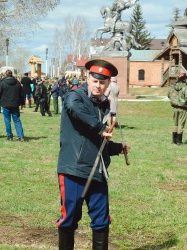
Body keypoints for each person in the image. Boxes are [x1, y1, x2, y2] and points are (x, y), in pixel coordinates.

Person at [56, 59, 130, 250]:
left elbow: (97, 140)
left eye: (102, 82)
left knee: (101, 219)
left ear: (108, 84)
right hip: (74, 168)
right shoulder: (75, 96)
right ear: (87, 78)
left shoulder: (103, 104)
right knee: (69, 218)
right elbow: (74, 109)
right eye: (95, 81)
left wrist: (116, 148)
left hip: (98, 170)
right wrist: (100, 127)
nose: (98, 86)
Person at [0, 70, 25, 141]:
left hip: (6, 104)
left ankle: (9, 136)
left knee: (7, 120)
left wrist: (0, 100)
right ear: (12, 74)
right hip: (15, 104)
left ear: (6, 74)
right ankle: (21, 136)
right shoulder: (17, 83)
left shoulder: (2, 83)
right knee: (17, 120)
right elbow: (21, 94)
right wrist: (22, 103)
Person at [168, 73, 187, 145]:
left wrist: (174, 101)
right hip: (182, 107)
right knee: (180, 124)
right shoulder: (185, 87)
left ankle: (174, 140)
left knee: (175, 124)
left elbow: (168, 95)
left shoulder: (173, 86)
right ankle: (179, 141)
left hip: (175, 107)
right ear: (185, 79)